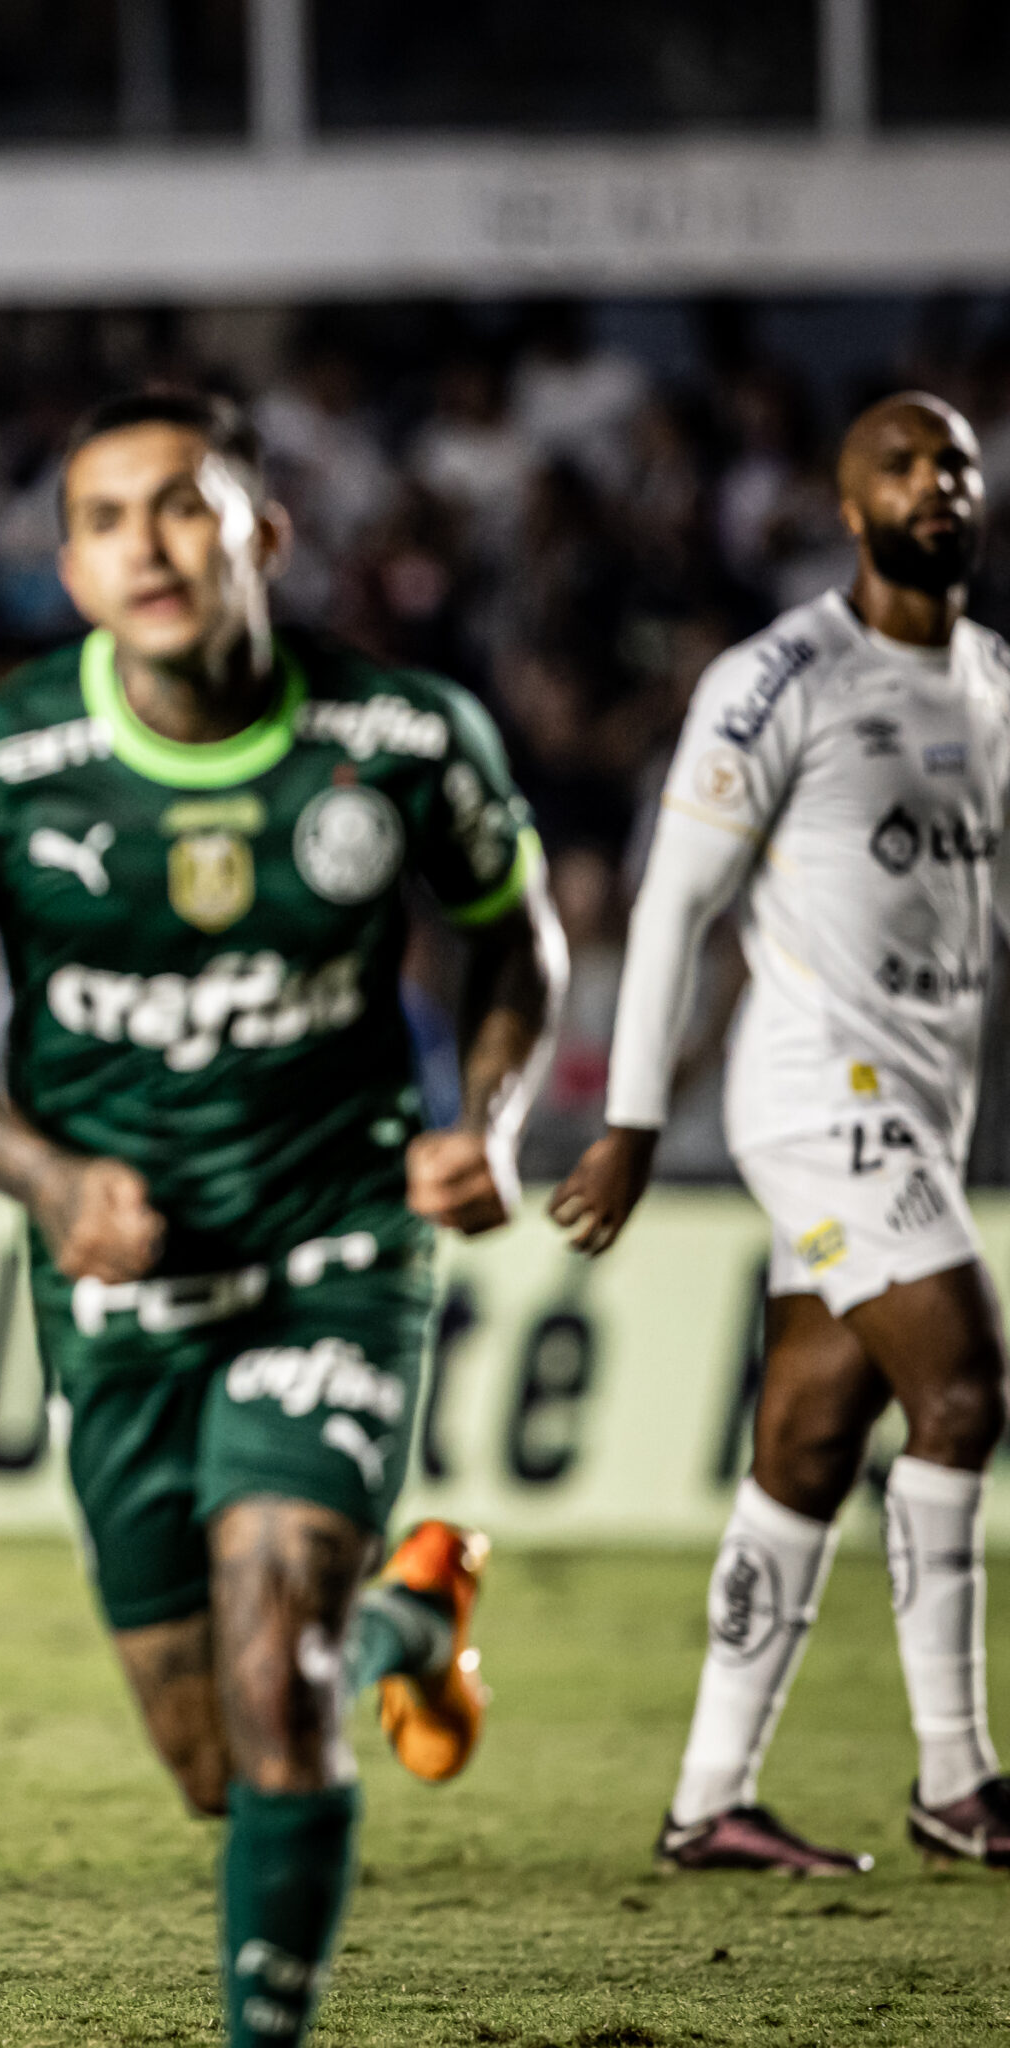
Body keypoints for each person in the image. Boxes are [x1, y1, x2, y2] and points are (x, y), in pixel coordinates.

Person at [0, 387, 564, 2048]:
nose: (149, 546)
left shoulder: (402, 736)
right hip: (120, 1287)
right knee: (213, 1761)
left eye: (183, 504)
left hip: (334, 1247)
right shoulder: (0, 763)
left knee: (274, 1682)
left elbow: (515, 934)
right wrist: (50, 1180)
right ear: (70, 571)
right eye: (106, 520)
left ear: (265, 533)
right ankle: (408, 1617)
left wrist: (488, 1121)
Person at [552, 392, 1010, 1876]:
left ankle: (710, 1801)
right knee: (964, 1390)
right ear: (848, 505)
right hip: (817, 1091)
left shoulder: (994, 682)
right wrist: (631, 1122)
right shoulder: (778, 679)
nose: (937, 485)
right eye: (902, 465)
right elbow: (673, 905)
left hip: (926, 1100)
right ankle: (958, 1778)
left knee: (812, 1438)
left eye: (956, 465)